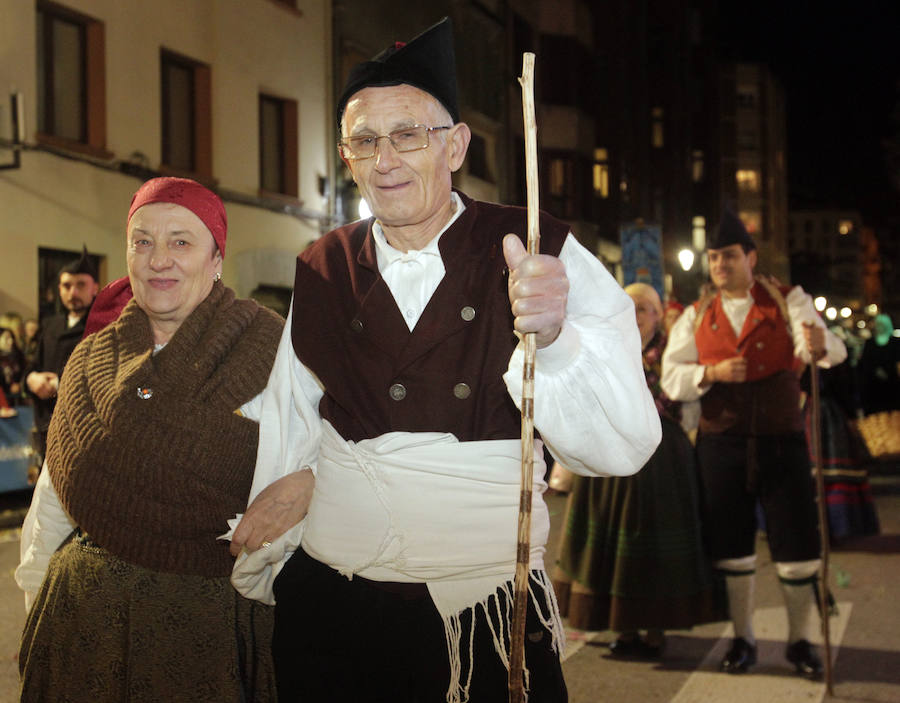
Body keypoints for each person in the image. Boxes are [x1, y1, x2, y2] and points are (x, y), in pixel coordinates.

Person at [228, 17, 661, 703]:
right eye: (363, 141)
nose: (385, 160)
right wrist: (296, 493)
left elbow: (622, 445)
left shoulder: (544, 248)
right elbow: (293, 417)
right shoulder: (321, 265)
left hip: (484, 617)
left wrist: (557, 341)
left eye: (408, 135)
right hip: (334, 615)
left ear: (456, 144)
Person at [15, 177, 283, 702]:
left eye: (181, 241)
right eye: (143, 242)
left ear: (216, 259)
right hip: (81, 625)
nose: (159, 259)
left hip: (205, 632)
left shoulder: (273, 353)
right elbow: (50, 511)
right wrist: (36, 616)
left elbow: (309, 480)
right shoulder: (90, 360)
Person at [661, 209, 846, 678]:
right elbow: (672, 377)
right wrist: (711, 373)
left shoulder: (788, 300)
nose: (720, 264)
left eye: (729, 256)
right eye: (715, 257)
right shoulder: (698, 313)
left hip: (782, 442)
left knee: (799, 546)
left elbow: (825, 351)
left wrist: (819, 344)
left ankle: (801, 642)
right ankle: (742, 639)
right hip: (720, 445)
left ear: (750, 257)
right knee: (731, 546)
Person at [553, 283, 720, 657]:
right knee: (615, 546)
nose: (638, 315)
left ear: (660, 316)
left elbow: (681, 393)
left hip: (663, 460)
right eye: (631, 307)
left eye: (645, 308)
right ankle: (624, 627)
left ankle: (656, 629)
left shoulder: (672, 352)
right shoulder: (606, 345)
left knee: (656, 545)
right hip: (612, 453)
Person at [23, 246, 99, 466]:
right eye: (67, 286)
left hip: (80, 430)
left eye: (81, 285)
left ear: (95, 287)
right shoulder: (50, 325)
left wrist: (58, 383)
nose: (73, 293)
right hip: (45, 426)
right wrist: (32, 379)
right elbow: (32, 366)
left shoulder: (103, 327)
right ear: (59, 289)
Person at [858, 313, 900, 416]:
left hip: (892, 385)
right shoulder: (870, 343)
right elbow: (865, 362)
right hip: (872, 386)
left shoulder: (895, 342)